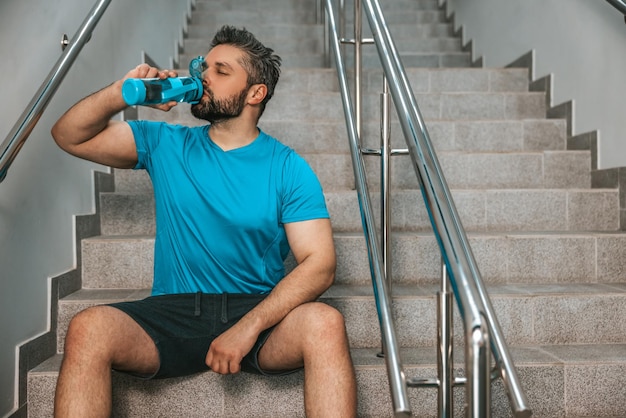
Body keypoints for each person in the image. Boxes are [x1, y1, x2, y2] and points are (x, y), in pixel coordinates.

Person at [51, 25, 357, 417]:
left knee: (325, 323)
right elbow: (68, 136)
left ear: (255, 93)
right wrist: (118, 92)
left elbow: (320, 265)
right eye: (203, 67)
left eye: (220, 71)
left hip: (256, 311)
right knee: (88, 327)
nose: (202, 78)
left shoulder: (288, 167)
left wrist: (248, 326)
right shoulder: (164, 143)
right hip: (172, 312)